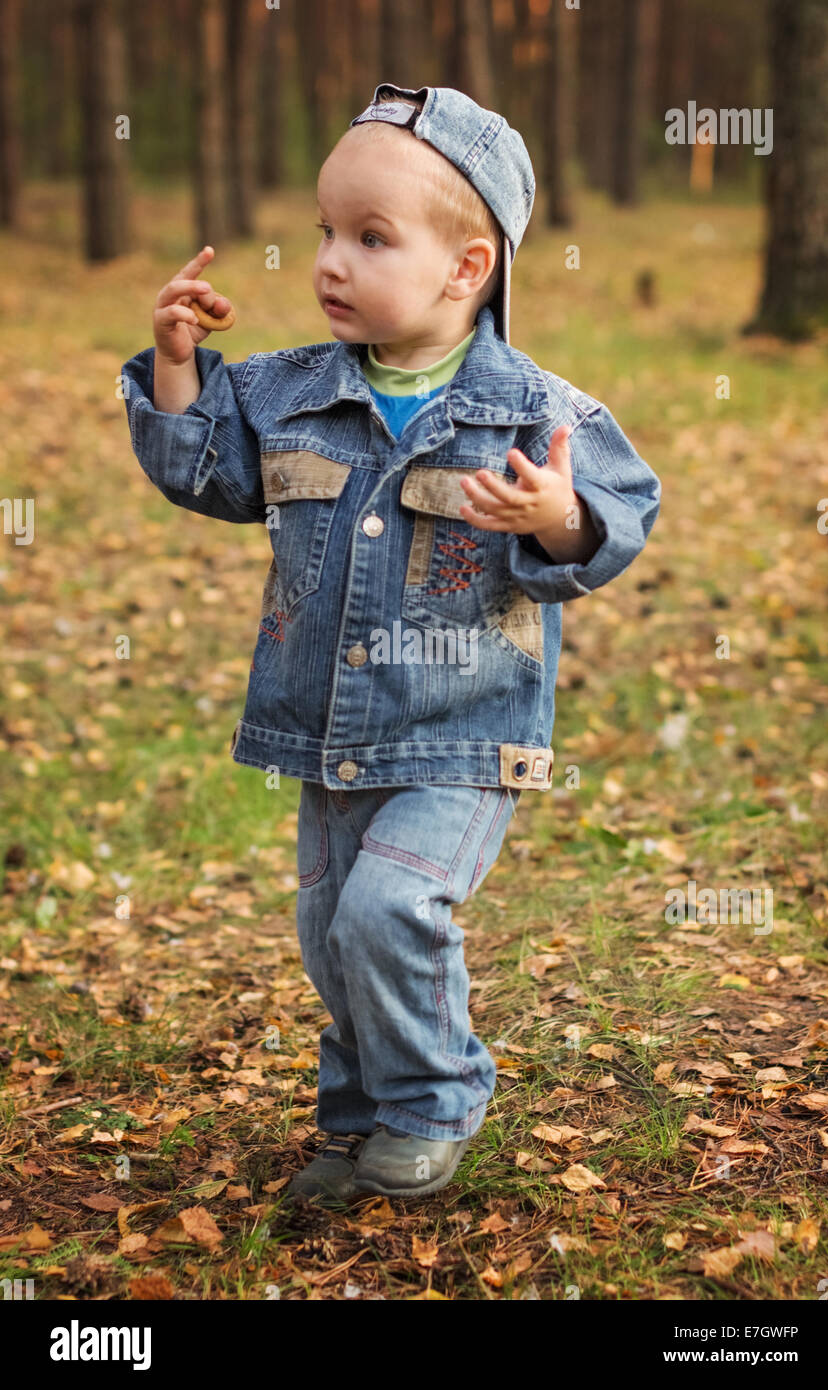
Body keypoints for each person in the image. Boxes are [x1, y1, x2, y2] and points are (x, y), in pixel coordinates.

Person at [121, 82, 661, 1206]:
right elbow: (200, 470)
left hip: (464, 734)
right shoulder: (283, 395)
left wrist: (553, 518)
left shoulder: (532, 414)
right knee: (332, 937)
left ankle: (433, 1100)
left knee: (387, 910)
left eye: (370, 238)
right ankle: (357, 1115)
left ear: (466, 268)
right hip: (327, 733)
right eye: (325, 230)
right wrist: (175, 361)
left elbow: (614, 519)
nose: (329, 261)